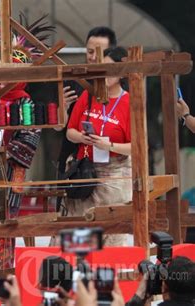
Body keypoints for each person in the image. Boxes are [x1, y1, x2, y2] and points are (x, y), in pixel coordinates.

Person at [66, 46, 132, 246]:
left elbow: (136, 146)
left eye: (111, 68)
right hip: (85, 171)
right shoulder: (87, 96)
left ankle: (110, 272)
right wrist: (82, 137)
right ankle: (79, 272)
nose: (106, 73)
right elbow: (70, 132)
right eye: (103, 67)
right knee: (81, 234)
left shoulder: (130, 102)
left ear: (122, 72)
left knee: (111, 234)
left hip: (114, 173)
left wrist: (109, 144)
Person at [57, 26, 117, 198]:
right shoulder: (73, 81)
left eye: (98, 52)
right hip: (76, 165)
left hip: (111, 166)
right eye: (89, 51)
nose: (92, 57)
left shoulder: (123, 87)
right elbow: (60, 128)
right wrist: (63, 108)